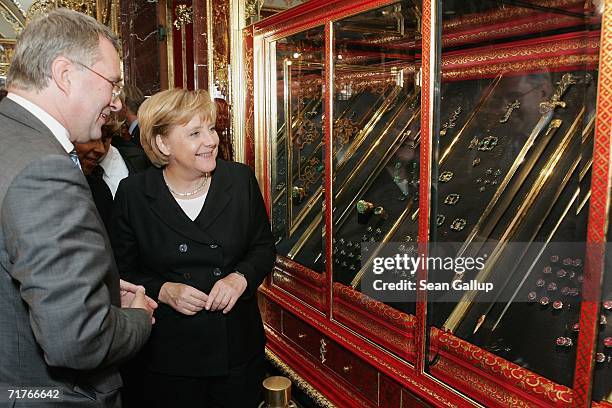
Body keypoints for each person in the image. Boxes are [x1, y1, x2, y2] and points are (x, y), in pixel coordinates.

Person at [0, 9, 155, 407]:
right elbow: (78, 340)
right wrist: (136, 315)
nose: (117, 104)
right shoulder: (45, 169)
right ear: (65, 74)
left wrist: (94, 289)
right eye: (112, 84)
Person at [111, 88, 275, 407]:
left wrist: (240, 278)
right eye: (195, 133)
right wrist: (164, 290)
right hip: (168, 357)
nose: (211, 140)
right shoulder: (134, 194)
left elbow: (263, 248)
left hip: (236, 350)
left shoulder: (239, 180)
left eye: (211, 129)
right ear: (162, 143)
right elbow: (122, 272)